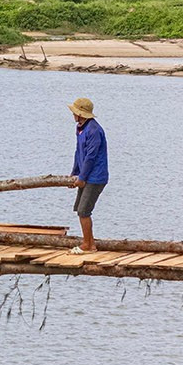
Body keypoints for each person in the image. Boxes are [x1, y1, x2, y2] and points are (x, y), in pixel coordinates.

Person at [69, 97, 108, 253]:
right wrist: (75, 174)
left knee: (84, 211)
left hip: (95, 176)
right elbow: (79, 152)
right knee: (80, 209)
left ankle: (88, 245)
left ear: (81, 114)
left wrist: (82, 178)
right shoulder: (80, 128)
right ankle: (90, 243)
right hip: (85, 174)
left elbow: (91, 157)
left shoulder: (94, 130)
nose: (73, 115)